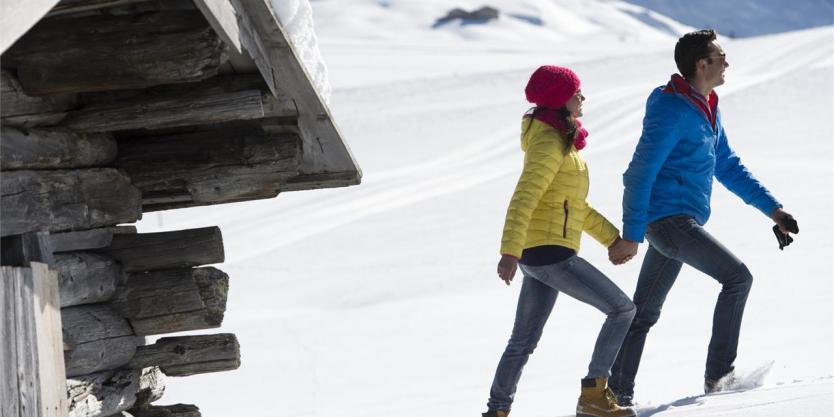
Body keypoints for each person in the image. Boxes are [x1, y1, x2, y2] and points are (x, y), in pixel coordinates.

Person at [607, 29, 799, 406]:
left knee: (643, 312)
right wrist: (632, 233)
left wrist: (773, 210)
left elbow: (726, 165)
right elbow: (639, 172)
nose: (727, 62)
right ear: (702, 64)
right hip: (669, 222)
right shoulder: (670, 109)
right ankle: (719, 380)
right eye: (721, 56)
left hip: (678, 222)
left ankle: (615, 397)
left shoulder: (708, 105)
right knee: (737, 278)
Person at [482, 65, 638, 417]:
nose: (582, 98)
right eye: (576, 92)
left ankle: (497, 411)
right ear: (558, 98)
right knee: (622, 309)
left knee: (522, 341)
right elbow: (524, 196)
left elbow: (572, 206)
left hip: (540, 254)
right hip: (549, 253)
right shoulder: (549, 142)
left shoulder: (560, 141)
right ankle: (594, 397)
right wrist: (509, 251)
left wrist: (612, 239)